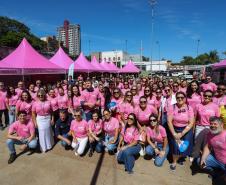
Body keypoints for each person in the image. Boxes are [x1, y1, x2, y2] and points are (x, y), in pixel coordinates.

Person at [167, 92, 194, 170]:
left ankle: (180, 157)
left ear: (185, 98)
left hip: (186, 129)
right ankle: (174, 161)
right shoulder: (172, 107)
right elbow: (169, 121)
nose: (180, 99)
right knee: (176, 146)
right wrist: (174, 134)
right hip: (175, 128)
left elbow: (191, 122)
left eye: (182, 97)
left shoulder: (189, 108)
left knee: (184, 146)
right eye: (178, 97)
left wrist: (182, 133)